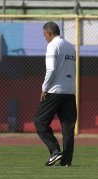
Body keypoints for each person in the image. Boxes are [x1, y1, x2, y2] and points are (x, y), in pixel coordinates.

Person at [34, 21, 77, 167]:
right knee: (68, 127)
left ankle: (54, 151)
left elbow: (51, 69)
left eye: (44, 34)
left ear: (49, 33)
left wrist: (44, 88)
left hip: (54, 91)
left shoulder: (53, 45)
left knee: (40, 121)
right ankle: (66, 161)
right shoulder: (71, 47)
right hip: (70, 91)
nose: (44, 37)